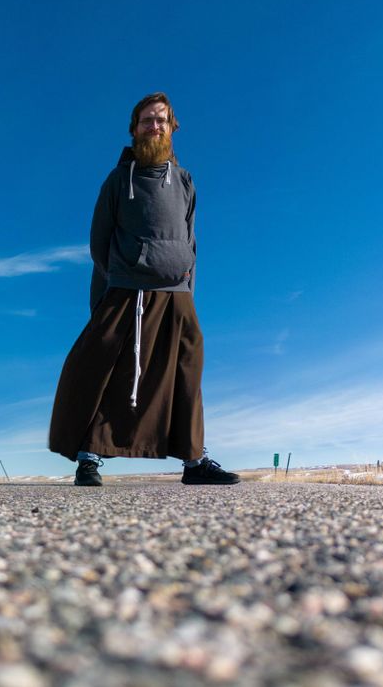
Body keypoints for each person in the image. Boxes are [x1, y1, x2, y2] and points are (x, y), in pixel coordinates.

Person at [48, 92, 240, 486]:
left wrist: (188, 283)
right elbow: (99, 241)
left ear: (172, 129)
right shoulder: (119, 180)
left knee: (187, 367)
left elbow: (191, 238)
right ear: (134, 129)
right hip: (127, 289)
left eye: (162, 120)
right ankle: (88, 459)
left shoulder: (184, 181)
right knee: (105, 367)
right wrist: (119, 277)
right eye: (147, 120)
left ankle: (193, 461)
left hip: (178, 292)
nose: (155, 126)